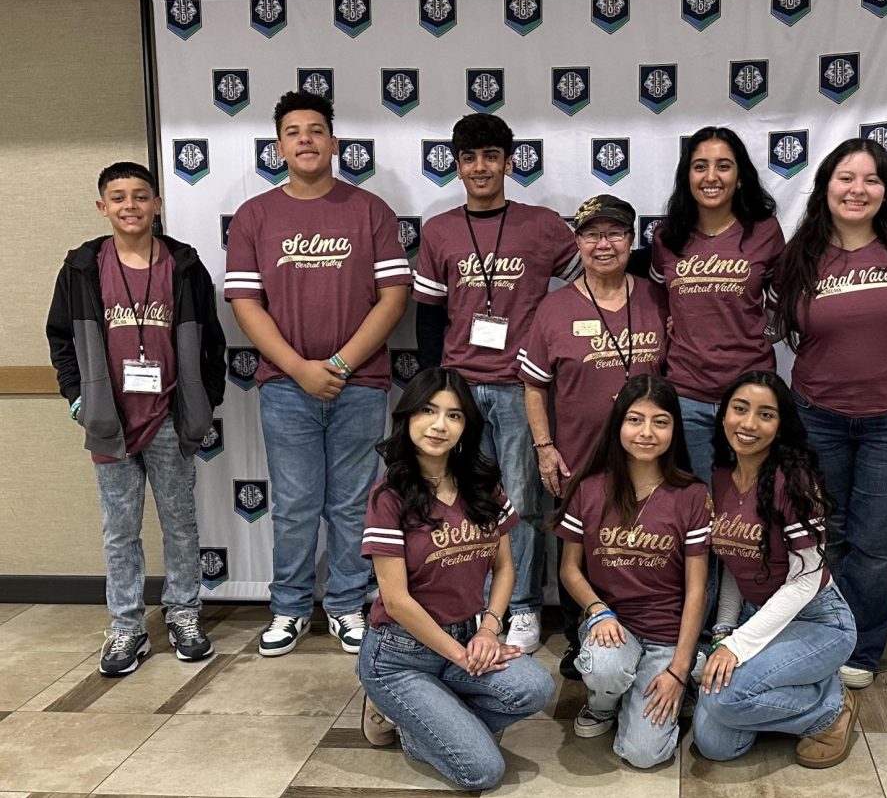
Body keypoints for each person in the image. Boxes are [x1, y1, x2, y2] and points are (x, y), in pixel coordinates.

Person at [225, 91, 411, 657]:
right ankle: (288, 608)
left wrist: (339, 365)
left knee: (354, 502)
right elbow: (246, 305)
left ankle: (348, 604)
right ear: (278, 146)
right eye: (292, 131)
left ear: (333, 142)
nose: (304, 139)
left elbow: (393, 296)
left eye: (315, 130)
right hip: (286, 386)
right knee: (296, 501)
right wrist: (301, 369)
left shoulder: (369, 210)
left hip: (360, 384)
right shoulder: (255, 216)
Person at [769, 138, 887, 690]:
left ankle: (862, 648)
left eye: (871, 179)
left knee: (876, 543)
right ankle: (823, 633)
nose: (858, 189)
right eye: (846, 178)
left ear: (886, 191)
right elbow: (771, 326)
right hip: (818, 414)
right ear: (826, 186)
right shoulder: (799, 255)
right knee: (828, 533)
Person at [47, 162, 226, 675]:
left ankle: (184, 613)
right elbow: (61, 338)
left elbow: (211, 342)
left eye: (141, 196)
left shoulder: (184, 265)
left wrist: (203, 400)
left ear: (158, 204)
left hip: (169, 415)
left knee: (180, 524)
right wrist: (78, 399)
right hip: (111, 421)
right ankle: (127, 627)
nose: (131, 206)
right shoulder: (82, 268)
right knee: (119, 530)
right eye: (119, 197)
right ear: (103, 207)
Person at [414, 114, 581, 654]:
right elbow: (428, 317)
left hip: (520, 388)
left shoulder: (545, 225)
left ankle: (525, 608)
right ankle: (478, 606)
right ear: (456, 167)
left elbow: (592, 284)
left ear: (510, 163)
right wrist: (434, 388)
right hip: (460, 392)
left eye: (491, 156)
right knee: (468, 504)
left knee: (525, 504)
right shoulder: (438, 230)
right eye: (469, 158)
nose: (480, 167)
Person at [356, 367, 554, 790]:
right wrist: (461, 656)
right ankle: (404, 719)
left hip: (467, 635)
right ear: (408, 417)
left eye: (454, 414)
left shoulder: (482, 485)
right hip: (400, 657)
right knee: (481, 771)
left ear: (466, 426)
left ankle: (426, 718)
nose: (439, 425)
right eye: (428, 410)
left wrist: (488, 630)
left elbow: (504, 567)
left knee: (535, 688)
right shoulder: (389, 496)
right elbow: (396, 601)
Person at [518, 193, 668, 679]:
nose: (604, 244)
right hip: (580, 459)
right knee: (578, 548)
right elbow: (535, 386)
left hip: (649, 456)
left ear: (632, 240)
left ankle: (651, 633)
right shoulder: (553, 308)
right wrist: (545, 449)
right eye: (591, 234)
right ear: (578, 243)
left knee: (644, 544)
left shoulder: (655, 297)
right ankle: (582, 634)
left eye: (615, 233)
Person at [694, 371, 858, 768]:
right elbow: (735, 561)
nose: (749, 424)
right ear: (724, 415)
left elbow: (806, 580)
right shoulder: (719, 476)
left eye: (766, 415)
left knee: (723, 697)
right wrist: (724, 629)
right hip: (759, 616)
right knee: (714, 743)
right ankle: (793, 692)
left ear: (781, 424)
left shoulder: (795, 481)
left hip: (818, 620)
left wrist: (739, 645)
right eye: (740, 409)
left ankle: (832, 708)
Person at [554, 375, 711, 770]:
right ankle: (605, 704)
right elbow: (570, 569)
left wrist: (677, 668)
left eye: (660, 422)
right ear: (618, 424)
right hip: (611, 625)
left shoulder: (692, 495)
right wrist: (597, 609)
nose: (646, 432)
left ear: (675, 429)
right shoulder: (589, 488)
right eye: (635, 420)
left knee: (644, 756)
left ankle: (673, 679)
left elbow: (697, 591)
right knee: (607, 668)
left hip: (665, 637)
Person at [650, 127, 783, 486]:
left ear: (740, 177)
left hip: (750, 394)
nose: (711, 177)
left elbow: (779, 300)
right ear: (686, 176)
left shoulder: (765, 231)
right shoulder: (667, 237)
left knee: (751, 506)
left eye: (723, 166)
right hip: (686, 393)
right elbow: (659, 301)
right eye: (700, 167)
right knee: (697, 504)